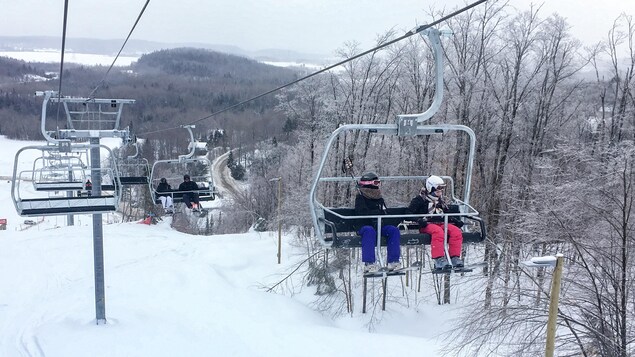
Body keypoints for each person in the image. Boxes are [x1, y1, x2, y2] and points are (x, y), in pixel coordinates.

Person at [408, 175, 464, 271]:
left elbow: (446, 213)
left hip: (441, 223)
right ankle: (438, 259)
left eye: (441, 190)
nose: (440, 192)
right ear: (431, 188)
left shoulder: (440, 201)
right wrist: (418, 220)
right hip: (427, 224)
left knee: (456, 231)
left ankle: (454, 257)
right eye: (438, 189)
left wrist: (455, 221)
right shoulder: (420, 200)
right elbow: (409, 213)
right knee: (438, 232)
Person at [354, 172, 401, 273]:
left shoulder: (379, 198)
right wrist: (376, 213)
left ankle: (393, 261)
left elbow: (384, 212)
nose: (378, 185)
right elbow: (361, 213)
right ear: (369, 183)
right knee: (369, 231)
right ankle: (369, 263)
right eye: (376, 183)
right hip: (365, 226)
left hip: (379, 224)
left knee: (393, 230)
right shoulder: (360, 198)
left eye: (379, 183)